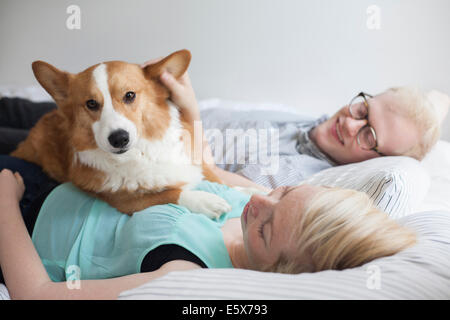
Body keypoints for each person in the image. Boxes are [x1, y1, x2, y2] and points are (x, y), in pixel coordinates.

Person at [0, 164, 416, 300]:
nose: (261, 204)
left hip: (22, 226)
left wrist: (5, 201)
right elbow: (207, 169)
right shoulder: (265, 207)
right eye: (284, 191)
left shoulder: (186, 276)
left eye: (266, 231)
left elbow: (35, 293)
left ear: (280, 277)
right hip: (68, 180)